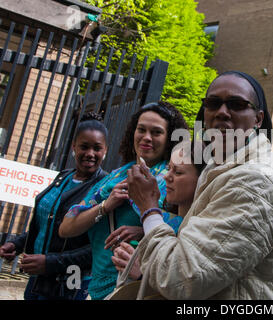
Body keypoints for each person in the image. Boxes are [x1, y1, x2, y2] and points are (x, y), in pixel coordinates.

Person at [127, 71, 273, 299]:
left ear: (258, 118)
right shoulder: (222, 165)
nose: (222, 112)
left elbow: (183, 279)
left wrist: (148, 208)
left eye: (237, 104)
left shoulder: (255, 183)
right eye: (213, 103)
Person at [59, 101, 188, 300]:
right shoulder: (115, 178)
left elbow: (190, 228)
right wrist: (105, 206)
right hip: (96, 289)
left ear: (170, 138)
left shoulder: (176, 180)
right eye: (141, 130)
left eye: (156, 132)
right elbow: (66, 227)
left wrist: (145, 228)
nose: (146, 137)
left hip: (138, 288)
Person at [0, 112, 108, 300]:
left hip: (70, 286)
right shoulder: (63, 177)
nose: (90, 154)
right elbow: (48, 224)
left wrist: (50, 263)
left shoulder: (105, 188)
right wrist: (18, 244)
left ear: (105, 150)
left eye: (97, 148)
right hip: (39, 280)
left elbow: (101, 246)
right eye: (84, 147)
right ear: (74, 146)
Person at [111, 141, 207, 280]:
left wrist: (142, 274)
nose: (167, 176)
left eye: (178, 172)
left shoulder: (199, 231)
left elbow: (186, 285)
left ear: (201, 179)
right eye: (169, 168)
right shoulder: (162, 222)